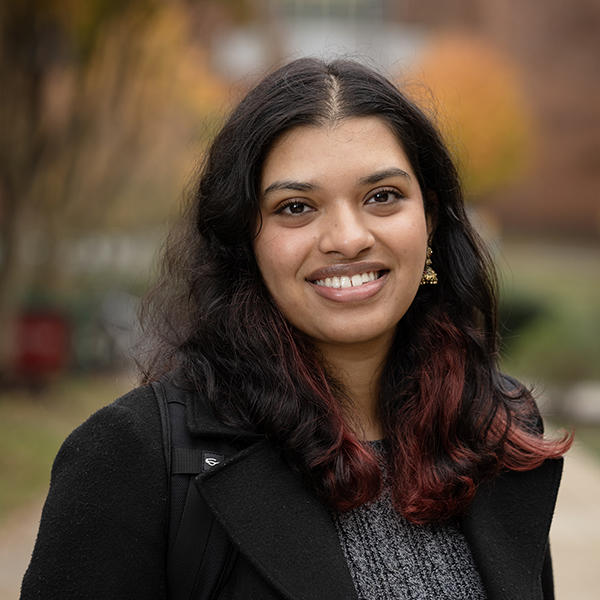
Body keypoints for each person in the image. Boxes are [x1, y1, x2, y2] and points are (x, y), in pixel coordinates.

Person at [21, 58, 571, 600]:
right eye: (296, 207)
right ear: (244, 242)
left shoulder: (493, 428)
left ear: (429, 219)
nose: (348, 237)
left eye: (382, 196)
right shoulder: (132, 458)